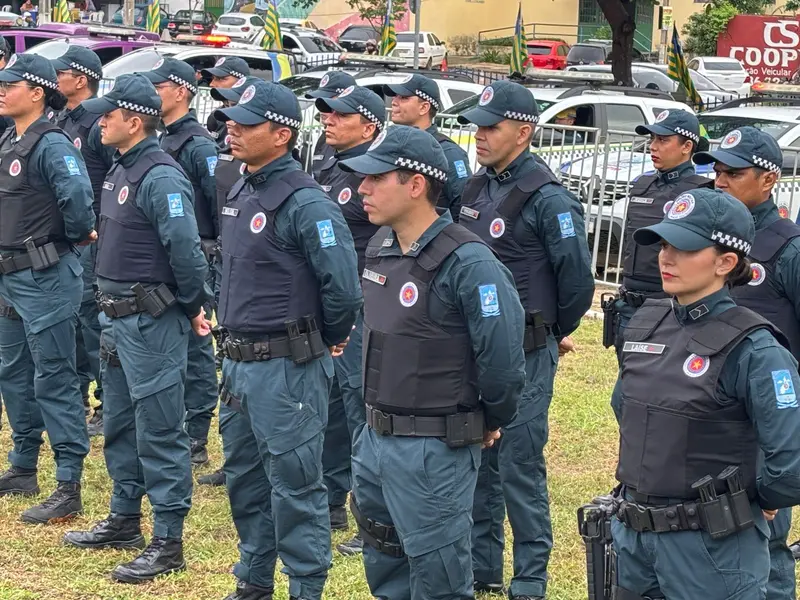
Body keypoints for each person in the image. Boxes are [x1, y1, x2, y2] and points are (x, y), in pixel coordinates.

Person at [337, 124, 526, 599]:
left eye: (376, 178)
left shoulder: (468, 263)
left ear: (415, 185)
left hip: (432, 447)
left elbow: (502, 360)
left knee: (438, 572)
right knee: (384, 559)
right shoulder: (381, 249)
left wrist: (487, 419)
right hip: (376, 438)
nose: (362, 188)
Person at [609, 187, 800, 599]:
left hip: (710, 548)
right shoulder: (647, 322)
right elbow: (624, 405)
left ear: (726, 262)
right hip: (634, 538)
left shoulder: (755, 347)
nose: (666, 256)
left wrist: (755, 500)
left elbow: (790, 460)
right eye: (663, 243)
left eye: (684, 247)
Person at [213, 79, 362, 600]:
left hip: (285, 367)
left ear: (281, 134)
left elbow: (342, 286)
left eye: (246, 122)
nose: (232, 128)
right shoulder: (240, 185)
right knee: (246, 482)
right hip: (237, 366)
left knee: (296, 487)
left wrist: (328, 339)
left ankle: (305, 587)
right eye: (232, 118)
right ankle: (253, 581)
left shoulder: (305, 201)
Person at [62, 74, 209, 583]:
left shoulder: (160, 176)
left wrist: (192, 307)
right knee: (121, 424)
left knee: (160, 429)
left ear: (135, 120)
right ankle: (125, 518)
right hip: (116, 319)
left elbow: (185, 252)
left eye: (109, 115)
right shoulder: (121, 170)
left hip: (150, 320)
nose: (100, 121)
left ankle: (168, 540)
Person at [456, 80, 594, 599]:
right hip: (476, 349)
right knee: (479, 459)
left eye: (491, 127)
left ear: (524, 130)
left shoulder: (548, 198)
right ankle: (482, 567)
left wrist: (551, 331)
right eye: (476, 127)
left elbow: (576, 280)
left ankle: (530, 577)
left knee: (518, 461)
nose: (480, 136)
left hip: (527, 349)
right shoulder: (475, 188)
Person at [693, 127, 800, 600]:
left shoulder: (788, 248)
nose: (720, 180)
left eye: (733, 172)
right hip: (706, 407)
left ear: (769, 179)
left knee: (765, 540)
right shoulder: (703, 235)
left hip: (762, 415)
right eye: (716, 170)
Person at [0, 53, 94, 523]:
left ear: (36, 92)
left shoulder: (52, 144)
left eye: (9, 84)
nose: (1, 90)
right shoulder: (8, 139)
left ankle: (68, 482)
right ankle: (22, 465)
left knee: (54, 377)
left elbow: (78, 201)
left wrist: (73, 235)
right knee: (13, 372)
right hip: (11, 276)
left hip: (45, 275)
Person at [313, 84, 385, 554]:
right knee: (334, 406)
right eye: (325, 115)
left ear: (369, 125)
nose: (328, 121)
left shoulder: (378, 176)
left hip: (367, 306)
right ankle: (332, 498)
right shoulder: (326, 166)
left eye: (340, 115)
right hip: (332, 304)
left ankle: (371, 512)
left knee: (361, 407)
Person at [144, 58, 219, 468]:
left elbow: (216, 203)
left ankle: (197, 433)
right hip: (162, 257)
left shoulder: (199, 145)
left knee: (197, 346)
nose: (152, 94)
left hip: (196, 254)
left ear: (181, 91)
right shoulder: (163, 140)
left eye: (159, 87)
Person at [605, 109, 712, 366]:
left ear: (687, 146)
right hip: (630, 305)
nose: (653, 146)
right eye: (652, 139)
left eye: (663, 140)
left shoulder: (701, 192)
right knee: (627, 390)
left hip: (670, 308)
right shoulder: (642, 185)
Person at [52, 45, 113, 437]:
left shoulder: (96, 122)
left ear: (80, 78)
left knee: (93, 320)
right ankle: (75, 395)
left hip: (94, 236)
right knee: (71, 318)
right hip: (67, 237)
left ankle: (107, 402)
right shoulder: (64, 118)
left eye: (62, 73)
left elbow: (113, 177)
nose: (56, 79)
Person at [385, 73, 472, 219]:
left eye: (404, 98)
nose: (394, 102)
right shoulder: (393, 144)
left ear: (424, 107)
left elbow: (463, 205)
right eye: (395, 96)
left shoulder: (447, 152)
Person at [304, 71, 357, 178]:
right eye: (321, 100)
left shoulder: (353, 140)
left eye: (328, 100)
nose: (322, 109)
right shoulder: (323, 137)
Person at [201, 56, 251, 148]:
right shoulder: (215, 117)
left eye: (221, 78)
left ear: (241, 81)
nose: (212, 84)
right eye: (213, 78)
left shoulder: (252, 117)